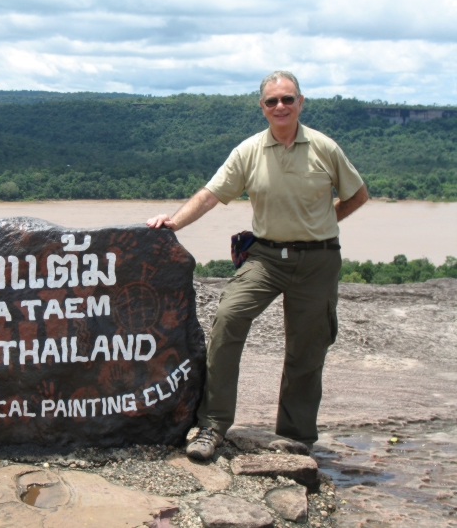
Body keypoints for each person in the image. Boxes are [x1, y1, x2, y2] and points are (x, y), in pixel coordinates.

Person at [147, 70, 368, 460]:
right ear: (262, 107)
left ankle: (296, 438)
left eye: (287, 99)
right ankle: (211, 427)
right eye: (272, 101)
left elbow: (357, 195)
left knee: (307, 348)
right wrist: (174, 221)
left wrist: (324, 222)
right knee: (229, 319)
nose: (280, 106)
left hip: (318, 261)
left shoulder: (324, 148)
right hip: (265, 257)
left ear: (301, 102)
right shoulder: (248, 151)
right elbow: (212, 194)